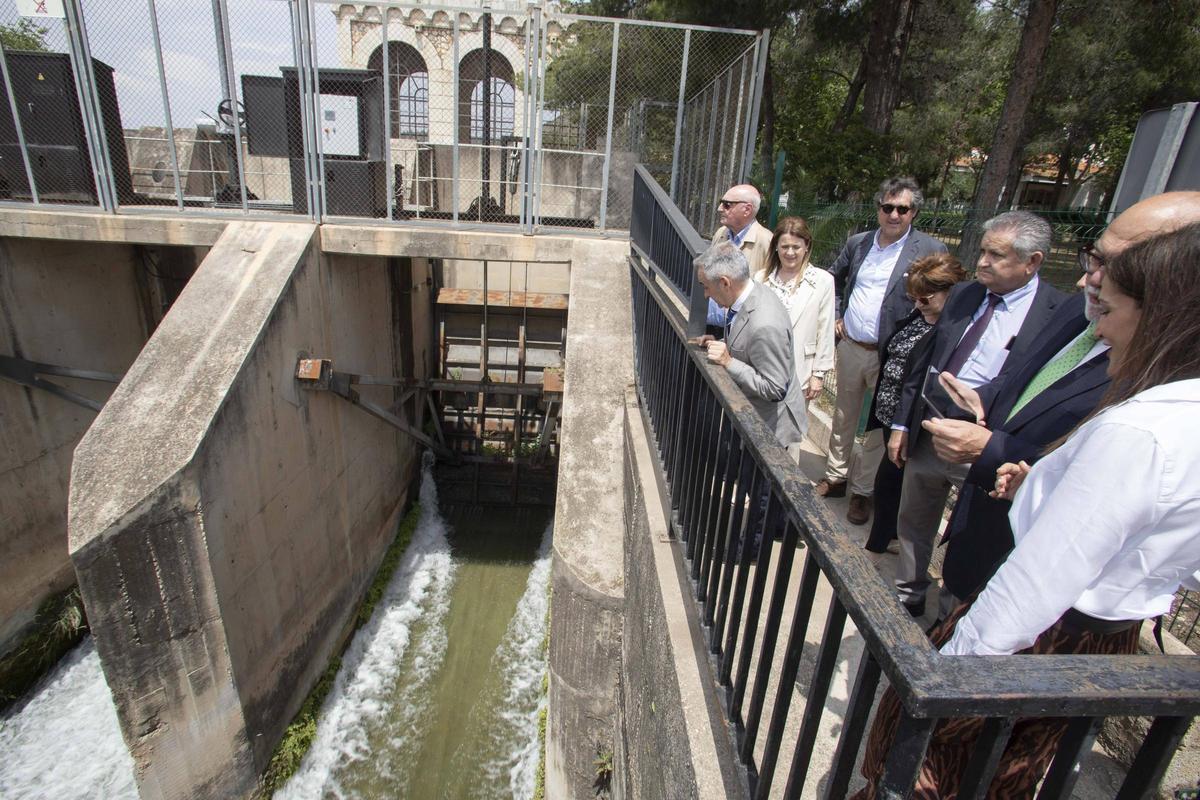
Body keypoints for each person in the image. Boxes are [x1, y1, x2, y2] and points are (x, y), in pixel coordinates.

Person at [852, 220, 1200, 800]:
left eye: (1110, 309)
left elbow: (1034, 587)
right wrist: (1049, 484)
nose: (1101, 328)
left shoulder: (1143, 430)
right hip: (1097, 634)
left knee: (932, 770)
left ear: (1161, 314)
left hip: (1040, 634)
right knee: (1005, 772)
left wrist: (941, 680)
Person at [926, 191, 1200, 614]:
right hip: (979, 535)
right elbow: (1028, 378)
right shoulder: (1078, 311)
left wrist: (991, 450)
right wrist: (985, 397)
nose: (1090, 279)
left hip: (1038, 591)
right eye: (1096, 258)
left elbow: (1101, 480)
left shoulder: (1171, 385)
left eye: (1116, 266)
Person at [888, 210, 1065, 617]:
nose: (982, 261)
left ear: (1031, 262)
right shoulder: (965, 295)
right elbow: (926, 361)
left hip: (987, 445)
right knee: (914, 519)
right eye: (983, 251)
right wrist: (901, 424)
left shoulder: (1058, 314)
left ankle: (952, 611)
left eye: (996, 255)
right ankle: (909, 593)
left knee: (969, 534)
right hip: (931, 430)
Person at [820, 177, 947, 526]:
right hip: (851, 347)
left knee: (878, 427)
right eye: (887, 207)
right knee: (844, 417)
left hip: (893, 357)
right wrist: (835, 314)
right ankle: (836, 476)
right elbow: (833, 279)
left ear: (913, 212)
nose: (893, 214)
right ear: (877, 209)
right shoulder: (859, 243)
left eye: (902, 209)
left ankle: (862, 492)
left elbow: (942, 297)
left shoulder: (929, 250)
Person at [863, 254, 966, 551]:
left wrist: (903, 424)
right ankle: (889, 535)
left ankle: (877, 544)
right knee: (893, 482)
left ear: (951, 292)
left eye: (924, 299)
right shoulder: (918, 316)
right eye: (913, 298)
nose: (917, 304)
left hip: (912, 423)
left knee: (890, 482)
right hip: (889, 414)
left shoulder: (949, 331)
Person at [692, 242, 806, 447]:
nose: (706, 295)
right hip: (752, 416)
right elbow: (749, 343)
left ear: (725, 283)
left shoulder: (765, 324)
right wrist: (721, 343)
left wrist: (728, 361)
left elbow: (775, 388)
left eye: (706, 287)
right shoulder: (748, 292)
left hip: (769, 430)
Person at [753, 216, 835, 460]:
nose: (790, 252)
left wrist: (819, 374)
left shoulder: (822, 281)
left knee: (790, 436)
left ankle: (784, 490)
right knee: (759, 430)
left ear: (807, 246)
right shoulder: (760, 279)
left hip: (800, 369)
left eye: (796, 247)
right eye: (785, 246)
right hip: (762, 368)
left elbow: (825, 328)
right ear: (776, 246)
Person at [712, 184, 772, 276]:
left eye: (726, 205)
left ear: (747, 210)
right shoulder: (721, 233)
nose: (719, 209)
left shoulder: (767, 241)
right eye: (720, 203)